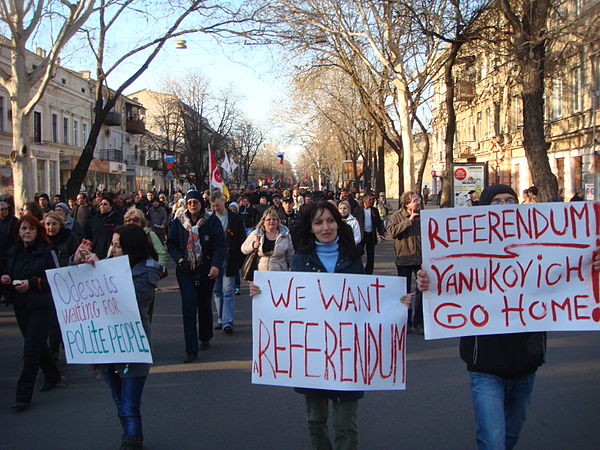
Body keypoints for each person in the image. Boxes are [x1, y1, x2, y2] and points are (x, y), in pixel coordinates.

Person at [416, 184, 547, 450]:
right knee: (493, 440)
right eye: (496, 202)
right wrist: (428, 281)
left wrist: (588, 264)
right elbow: (447, 279)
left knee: (510, 435)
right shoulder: (468, 247)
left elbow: (565, 272)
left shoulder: (536, 244)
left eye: (509, 201)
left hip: (526, 360)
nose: (503, 207)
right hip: (485, 363)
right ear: (484, 209)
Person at [252, 201, 364, 449]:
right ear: (310, 228)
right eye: (318, 222)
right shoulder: (302, 259)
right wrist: (263, 294)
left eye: (331, 221)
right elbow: (290, 302)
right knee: (315, 420)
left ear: (338, 223)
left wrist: (399, 301)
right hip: (313, 352)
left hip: (347, 350)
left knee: (346, 423)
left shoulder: (353, 257)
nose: (326, 227)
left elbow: (370, 300)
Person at [75, 225, 162, 450]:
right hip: (106, 344)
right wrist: (78, 262)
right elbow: (78, 287)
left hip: (133, 344)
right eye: (112, 245)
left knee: (129, 404)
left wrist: (101, 270)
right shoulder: (107, 266)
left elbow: (127, 298)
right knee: (119, 400)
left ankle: (132, 442)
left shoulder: (148, 270)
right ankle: (129, 435)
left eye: (117, 246)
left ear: (130, 247)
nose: (112, 250)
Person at [0, 215, 62, 412]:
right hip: (21, 305)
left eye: (31, 229)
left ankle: (23, 396)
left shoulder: (47, 251)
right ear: (18, 232)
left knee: (30, 351)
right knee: (35, 345)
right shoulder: (12, 252)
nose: (26, 232)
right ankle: (52, 375)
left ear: (38, 231)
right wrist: (6, 280)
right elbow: (8, 273)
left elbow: (56, 279)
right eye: (23, 229)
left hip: (42, 306)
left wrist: (33, 284)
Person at [167, 190, 225, 363]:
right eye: (190, 202)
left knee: (204, 305)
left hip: (206, 269)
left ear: (201, 203)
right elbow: (171, 243)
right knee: (189, 306)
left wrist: (215, 265)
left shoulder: (211, 221)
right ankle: (191, 349)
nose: (193, 205)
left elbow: (219, 245)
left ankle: (205, 336)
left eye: (196, 202)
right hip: (185, 270)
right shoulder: (178, 222)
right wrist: (179, 258)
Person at [122, 207, 169, 321]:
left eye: (135, 220)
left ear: (142, 222)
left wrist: (156, 274)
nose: (131, 222)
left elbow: (162, 254)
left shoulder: (149, 234)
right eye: (128, 220)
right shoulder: (120, 235)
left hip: (144, 279)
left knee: (144, 315)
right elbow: (111, 254)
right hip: (124, 279)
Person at [209, 191, 246, 334]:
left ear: (223, 201)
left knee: (228, 291)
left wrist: (240, 260)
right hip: (214, 261)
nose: (215, 208)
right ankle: (220, 318)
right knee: (217, 291)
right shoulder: (209, 219)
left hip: (230, 259)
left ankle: (227, 322)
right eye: (213, 206)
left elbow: (241, 239)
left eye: (217, 205)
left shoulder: (235, 219)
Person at [387, 191, 423, 334]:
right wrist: (409, 221)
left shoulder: (423, 216)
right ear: (407, 204)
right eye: (415, 200)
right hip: (404, 258)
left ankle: (419, 322)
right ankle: (406, 322)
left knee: (421, 291)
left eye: (418, 200)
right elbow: (392, 232)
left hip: (420, 258)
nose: (418, 202)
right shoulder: (396, 216)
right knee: (404, 293)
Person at [241, 207, 294, 274]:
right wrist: (253, 245)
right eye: (268, 219)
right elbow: (243, 248)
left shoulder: (285, 235)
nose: (271, 221)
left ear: (278, 222)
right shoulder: (256, 233)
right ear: (263, 222)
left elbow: (291, 257)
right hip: (260, 273)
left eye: (274, 219)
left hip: (280, 274)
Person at [353, 193, 386, 274]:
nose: (371, 201)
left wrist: (381, 233)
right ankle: (358, 269)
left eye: (373, 200)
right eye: (369, 200)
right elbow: (353, 222)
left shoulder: (374, 210)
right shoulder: (358, 210)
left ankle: (369, 271)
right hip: (361, 235)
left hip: (371, 235)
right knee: (359, 254)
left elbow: (378, 223)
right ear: (364, 200)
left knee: (370, 255)